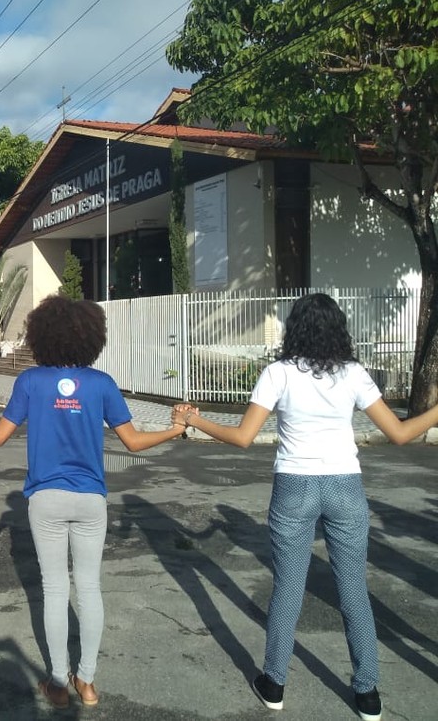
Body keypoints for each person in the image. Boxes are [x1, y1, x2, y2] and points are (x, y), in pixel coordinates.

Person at [172, 293, 438, 721]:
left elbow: (243, 437)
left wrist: (193, 420)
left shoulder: (278, 373)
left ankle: (274, 683)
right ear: (338, 329)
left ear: (294, 327)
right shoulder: (354, 374)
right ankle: (367, 694)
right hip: (345, 486)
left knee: (288, 590)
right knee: (353, 592)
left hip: (294, 486)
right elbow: (401, 434)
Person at [0, 295, 187, 708]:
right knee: (90, 588)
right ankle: (88, 683)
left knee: (55, 589)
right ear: (91, 337)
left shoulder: (30, 382)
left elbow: (0, 435)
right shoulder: (102, 384)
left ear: (42, 336)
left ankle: (58, 683)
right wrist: (176, 429)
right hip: (91, 499)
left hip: (46, 499)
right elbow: (133, 441)